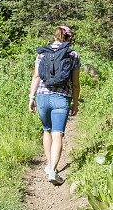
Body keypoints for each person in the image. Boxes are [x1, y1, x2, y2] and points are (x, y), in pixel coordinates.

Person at [28, 26, 80, 185]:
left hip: (43, 97)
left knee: (47, 131)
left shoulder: (42, 53)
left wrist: (31, 97)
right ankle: (53, 171)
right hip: (61, 98)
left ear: (55, 36)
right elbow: (76, 83)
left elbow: (36, 76)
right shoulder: (73, 54)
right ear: (68, 38)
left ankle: (50, 165)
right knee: (58, 134)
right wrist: (75, 103)